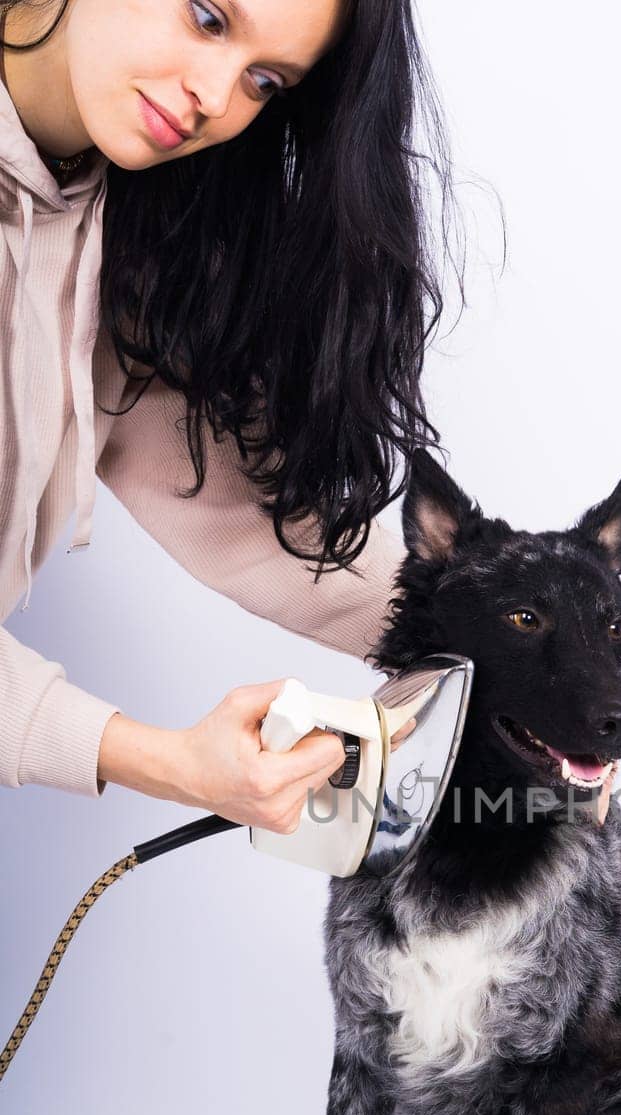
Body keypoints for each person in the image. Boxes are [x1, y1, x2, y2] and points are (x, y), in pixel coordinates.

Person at [0, 0, 459, 835]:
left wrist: (493, 647)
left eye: (264, 80)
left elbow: (237, 514)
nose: (214, 95)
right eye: (209, 17)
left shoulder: (119, 226)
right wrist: (164, 761)